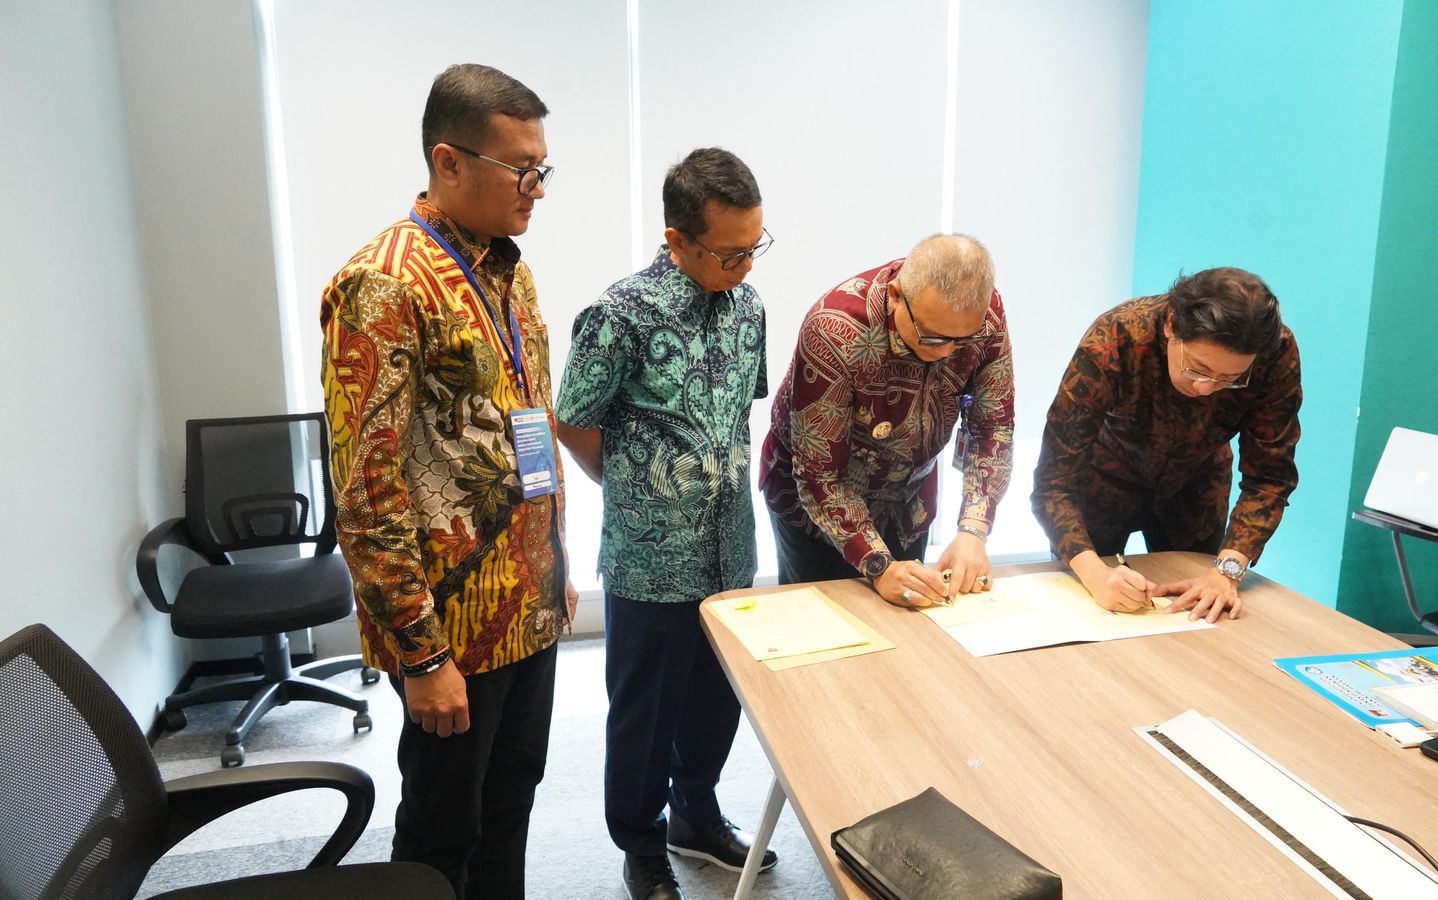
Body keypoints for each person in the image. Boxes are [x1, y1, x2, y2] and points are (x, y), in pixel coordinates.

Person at [320, 63, 575, 900]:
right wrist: (422, 652)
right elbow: (365, 493)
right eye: (522, 169)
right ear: (449, 161)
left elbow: (527, 422)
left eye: (543, 167)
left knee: (511, 800)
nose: (538, 188)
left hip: (526, 601)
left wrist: (554, 566)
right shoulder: (383, 284)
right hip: (450, 624)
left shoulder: (509, 270)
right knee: (443, 828)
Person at [554, 147, 775, 900]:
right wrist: (630, 486)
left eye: (755, 247)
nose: (745, 265)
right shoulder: (619, 315)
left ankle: (695, 815)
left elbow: (738, 412)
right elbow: (574, 420)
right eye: (729, 253)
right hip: (650, 558)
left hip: (729, 552)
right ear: (677, 239)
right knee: (644, 716)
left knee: (716, 701)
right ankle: (641, 843)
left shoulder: (749, 307)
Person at [1031, 267, 1302, 623]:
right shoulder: (1116, 337)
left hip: (1197, 482)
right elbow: (1054, 482)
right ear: (1172, 325)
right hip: (1103, 479)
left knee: (1198, 614)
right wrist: (1095, 576)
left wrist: (1227, 571)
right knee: (1091, 609)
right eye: (1198, 369)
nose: (1206, 388)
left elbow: (1269, 477)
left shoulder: (1275, 352)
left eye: (1230, 379)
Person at [761, 234, 1015, 608]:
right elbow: (820, 473)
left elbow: (993, 427)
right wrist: (878, 565)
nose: (947, 352)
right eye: (932, 337)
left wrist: (973, 531)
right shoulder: (835, 329)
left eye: (961, 341)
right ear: (896, 295)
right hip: (817, 511)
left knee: (909, 615)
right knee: (826, 625)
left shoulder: (983, 315)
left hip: (907, 501)